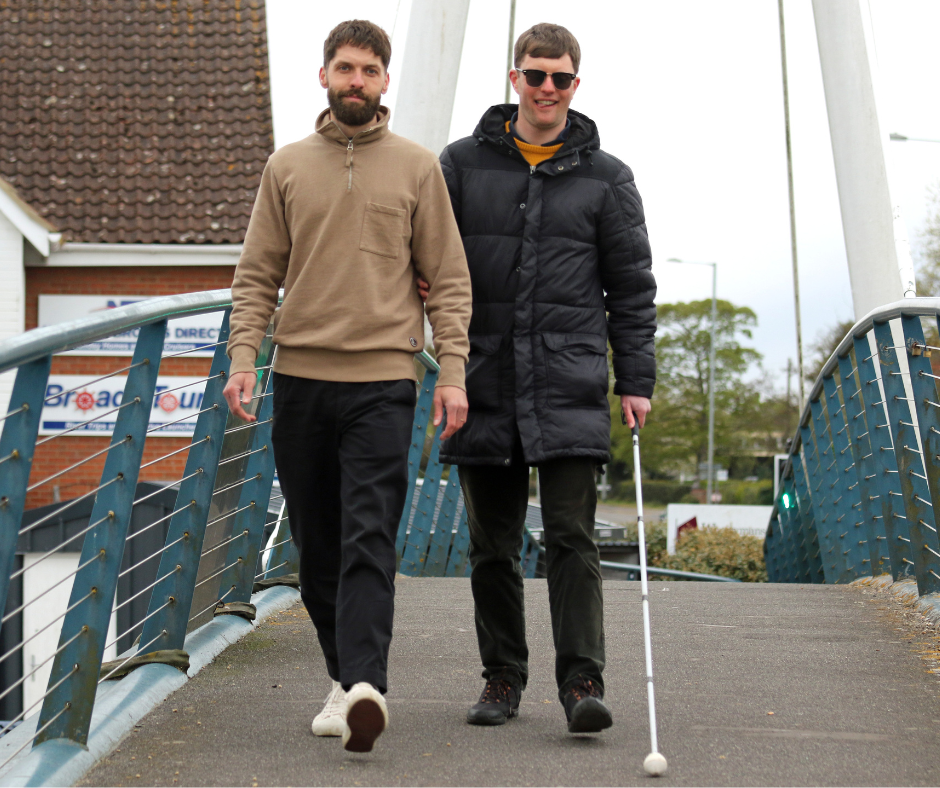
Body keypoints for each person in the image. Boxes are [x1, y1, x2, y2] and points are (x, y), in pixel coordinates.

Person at [222, 19, 472, 753]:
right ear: (325, 76)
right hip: (300, 377)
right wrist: (245, 358)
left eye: (369, 69)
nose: (355, 80)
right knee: (316, 546)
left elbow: (449, 282)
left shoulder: (418, 169)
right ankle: (347, 678)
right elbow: (257, 275)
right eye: (344, 68)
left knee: (369, 534)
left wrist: (451, 372)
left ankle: (366, 685)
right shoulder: (288, 167)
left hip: (384, 381)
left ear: (386, 80)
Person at [428, 22, 656, 733]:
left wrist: (635, 380)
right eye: (535, 75)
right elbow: (428, 266)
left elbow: (632, 286)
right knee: (492, 545)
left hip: (569, 383)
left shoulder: (607, 177)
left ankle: (582, 680)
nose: (546, 89)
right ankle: (502, 679)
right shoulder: (460, 165)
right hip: (484, 381)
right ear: (514, 79)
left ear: (575, 85)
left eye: (559, 78)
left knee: (571, 539)